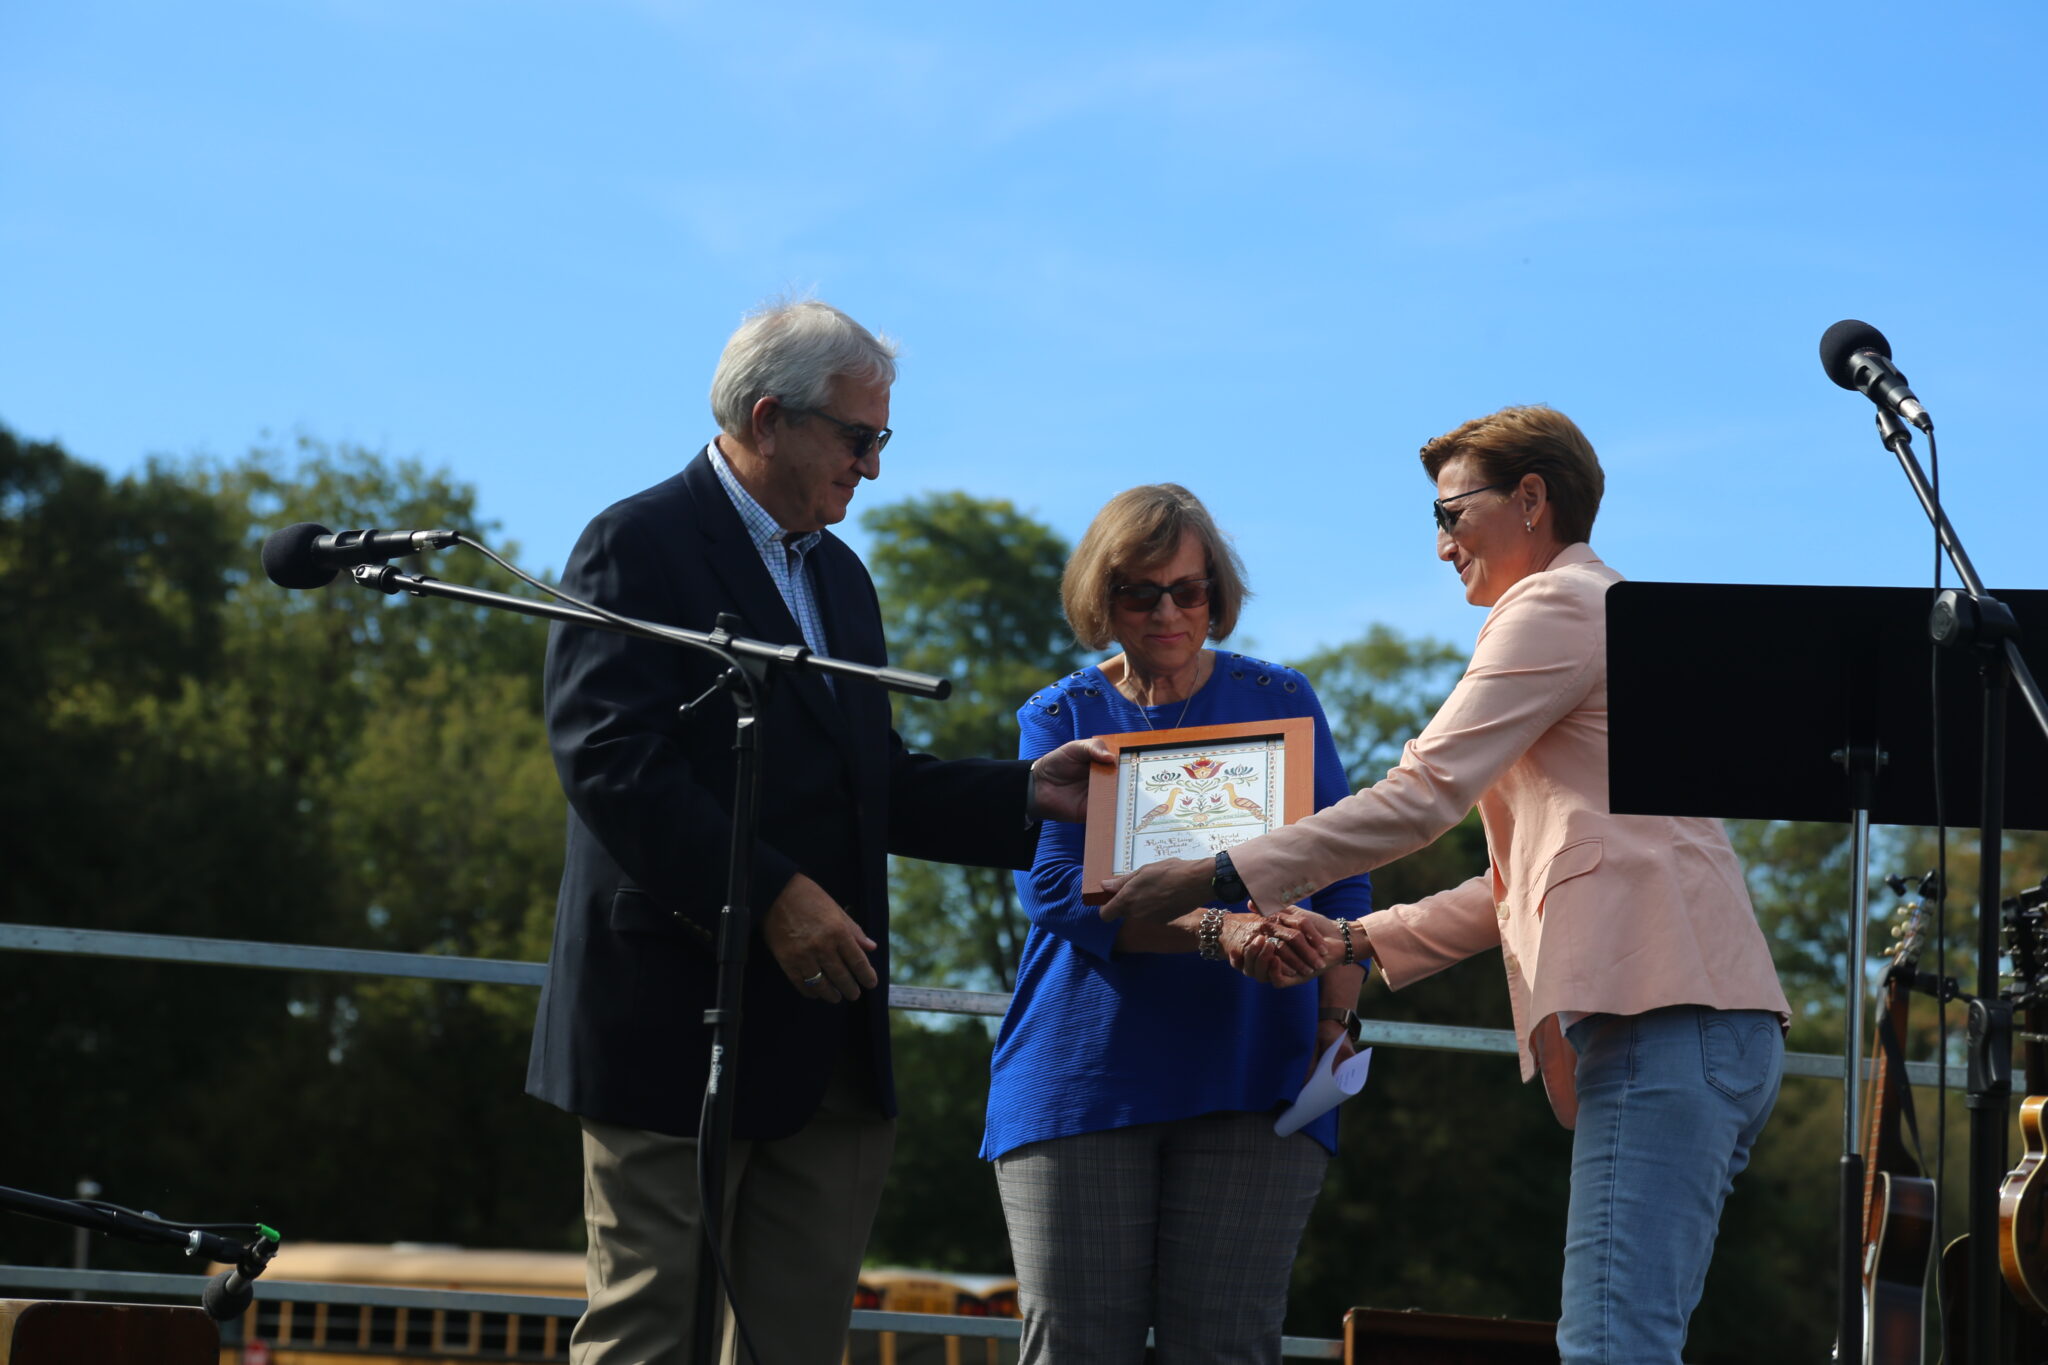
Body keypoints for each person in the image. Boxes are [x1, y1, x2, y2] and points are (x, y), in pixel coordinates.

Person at [1099, 407, 1791, 1363]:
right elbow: (1517, 881)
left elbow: (1421, 796)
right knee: (1622, 1336)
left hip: (1667, 1017)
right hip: (1699, 1022)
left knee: (1610, 1344)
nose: (1439, 545)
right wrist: (1353, 940)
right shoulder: (1601, 608)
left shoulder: (1552, 607)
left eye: (1450, 512)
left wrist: (1215, 872)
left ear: (1532, 501)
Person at [525, 298, 1104, 1365]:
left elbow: (868, 781)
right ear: (766, 416)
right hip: (671, 1024)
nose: (873, 469)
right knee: (655, 1338)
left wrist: (1028, 796)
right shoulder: (635, 543)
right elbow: (611, 764)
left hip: (824, 1045)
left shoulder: (838, 576)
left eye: (881, 439)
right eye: (858, 437)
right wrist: (774, 893)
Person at [985, 483, 1373, 1364]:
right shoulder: (1062, 715)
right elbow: (1053, 889)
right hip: (1084, 1076)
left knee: (1228, 1346)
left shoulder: (1283, 699)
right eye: (1139, 591)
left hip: (1261, 1071)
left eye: (1188, 590)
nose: (1167, 610)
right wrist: (1219, 930)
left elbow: (1347, 876)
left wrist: (1334, 1024)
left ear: (1215, 596)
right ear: (1102, 598)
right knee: (1077, 1347)